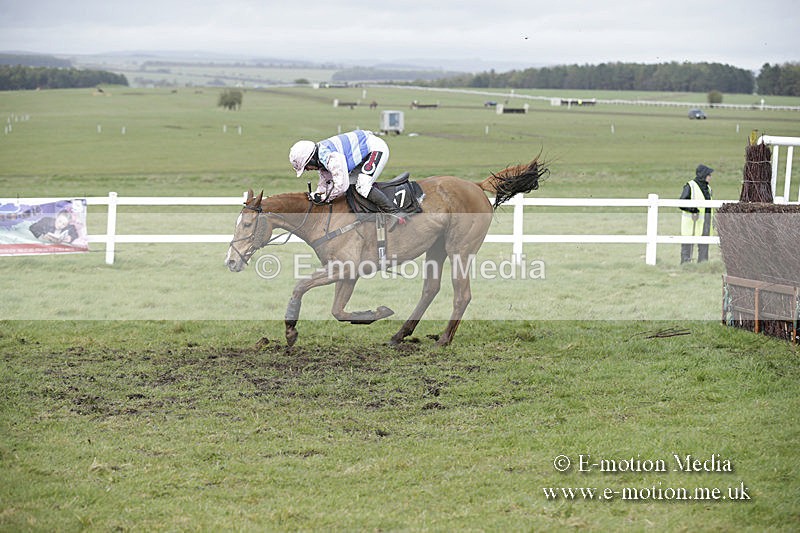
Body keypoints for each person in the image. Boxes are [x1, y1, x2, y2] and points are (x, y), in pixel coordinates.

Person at [288, 129, 401, 217]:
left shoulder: (330, 158)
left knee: (363, 186)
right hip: (363, 156)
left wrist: (324, 198)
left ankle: (395, 213)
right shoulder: (321, 161)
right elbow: (326, 184)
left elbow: (341, 186)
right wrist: (316, 194)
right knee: (351, 188)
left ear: (311, 159)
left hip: (375, 148)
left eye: (306, 166)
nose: (307, 170)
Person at [679, 164, 714, 263]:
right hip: (691, 223)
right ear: (703, 175)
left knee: (704, 246)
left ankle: (703, 265)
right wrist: (693, 210)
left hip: (705, 223)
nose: (710, 177)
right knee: (687, 246)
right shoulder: (690, 186)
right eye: (709, 175)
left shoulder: (709, 189)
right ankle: (686, 264)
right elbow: (681, 202)